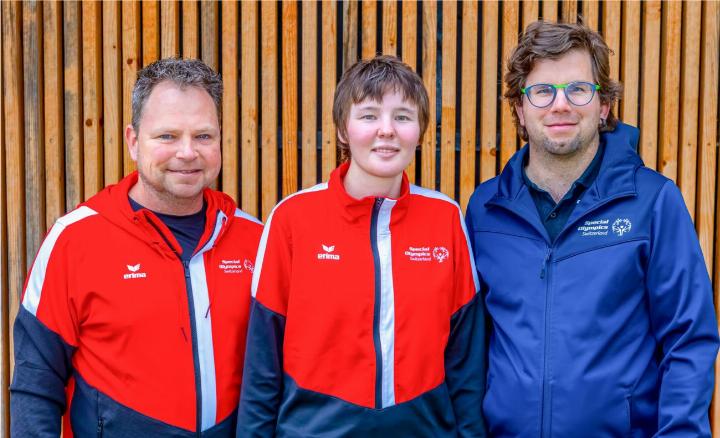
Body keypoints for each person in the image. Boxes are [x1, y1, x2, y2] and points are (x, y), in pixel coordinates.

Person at [465, 20, 719, 437]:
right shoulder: (486, 210)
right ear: (519, 108)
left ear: (603, 106)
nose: (560, 105)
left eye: (578, 89)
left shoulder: (653, 203)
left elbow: (688, 339)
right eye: (542, 91)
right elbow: (469, 349)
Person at [10, 58, 263, 437]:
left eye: (204, 136)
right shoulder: (75, 240)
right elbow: (36, 384)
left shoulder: (255, 239)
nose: (187, 152)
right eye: (167, 136)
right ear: (132, 140)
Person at [238, 55, 486, 437]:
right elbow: (262, 365)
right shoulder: (293, 218)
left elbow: (465, 363)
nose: (386, 130)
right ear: (343, 129)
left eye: (402, 116)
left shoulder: (446, 218)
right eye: (369, 115)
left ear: (419, 131)